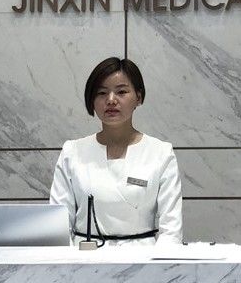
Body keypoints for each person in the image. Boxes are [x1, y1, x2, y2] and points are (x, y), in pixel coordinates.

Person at [50, 57, 183, 247]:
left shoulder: (160, 153)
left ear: (138, 97)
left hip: (142, 258)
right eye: (102, 93)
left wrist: (157, 263)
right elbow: (58, 227)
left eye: (121, 92)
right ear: (92, 99)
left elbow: (171, 230)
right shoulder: (72, 152)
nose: (111, 100)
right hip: (84, 257)